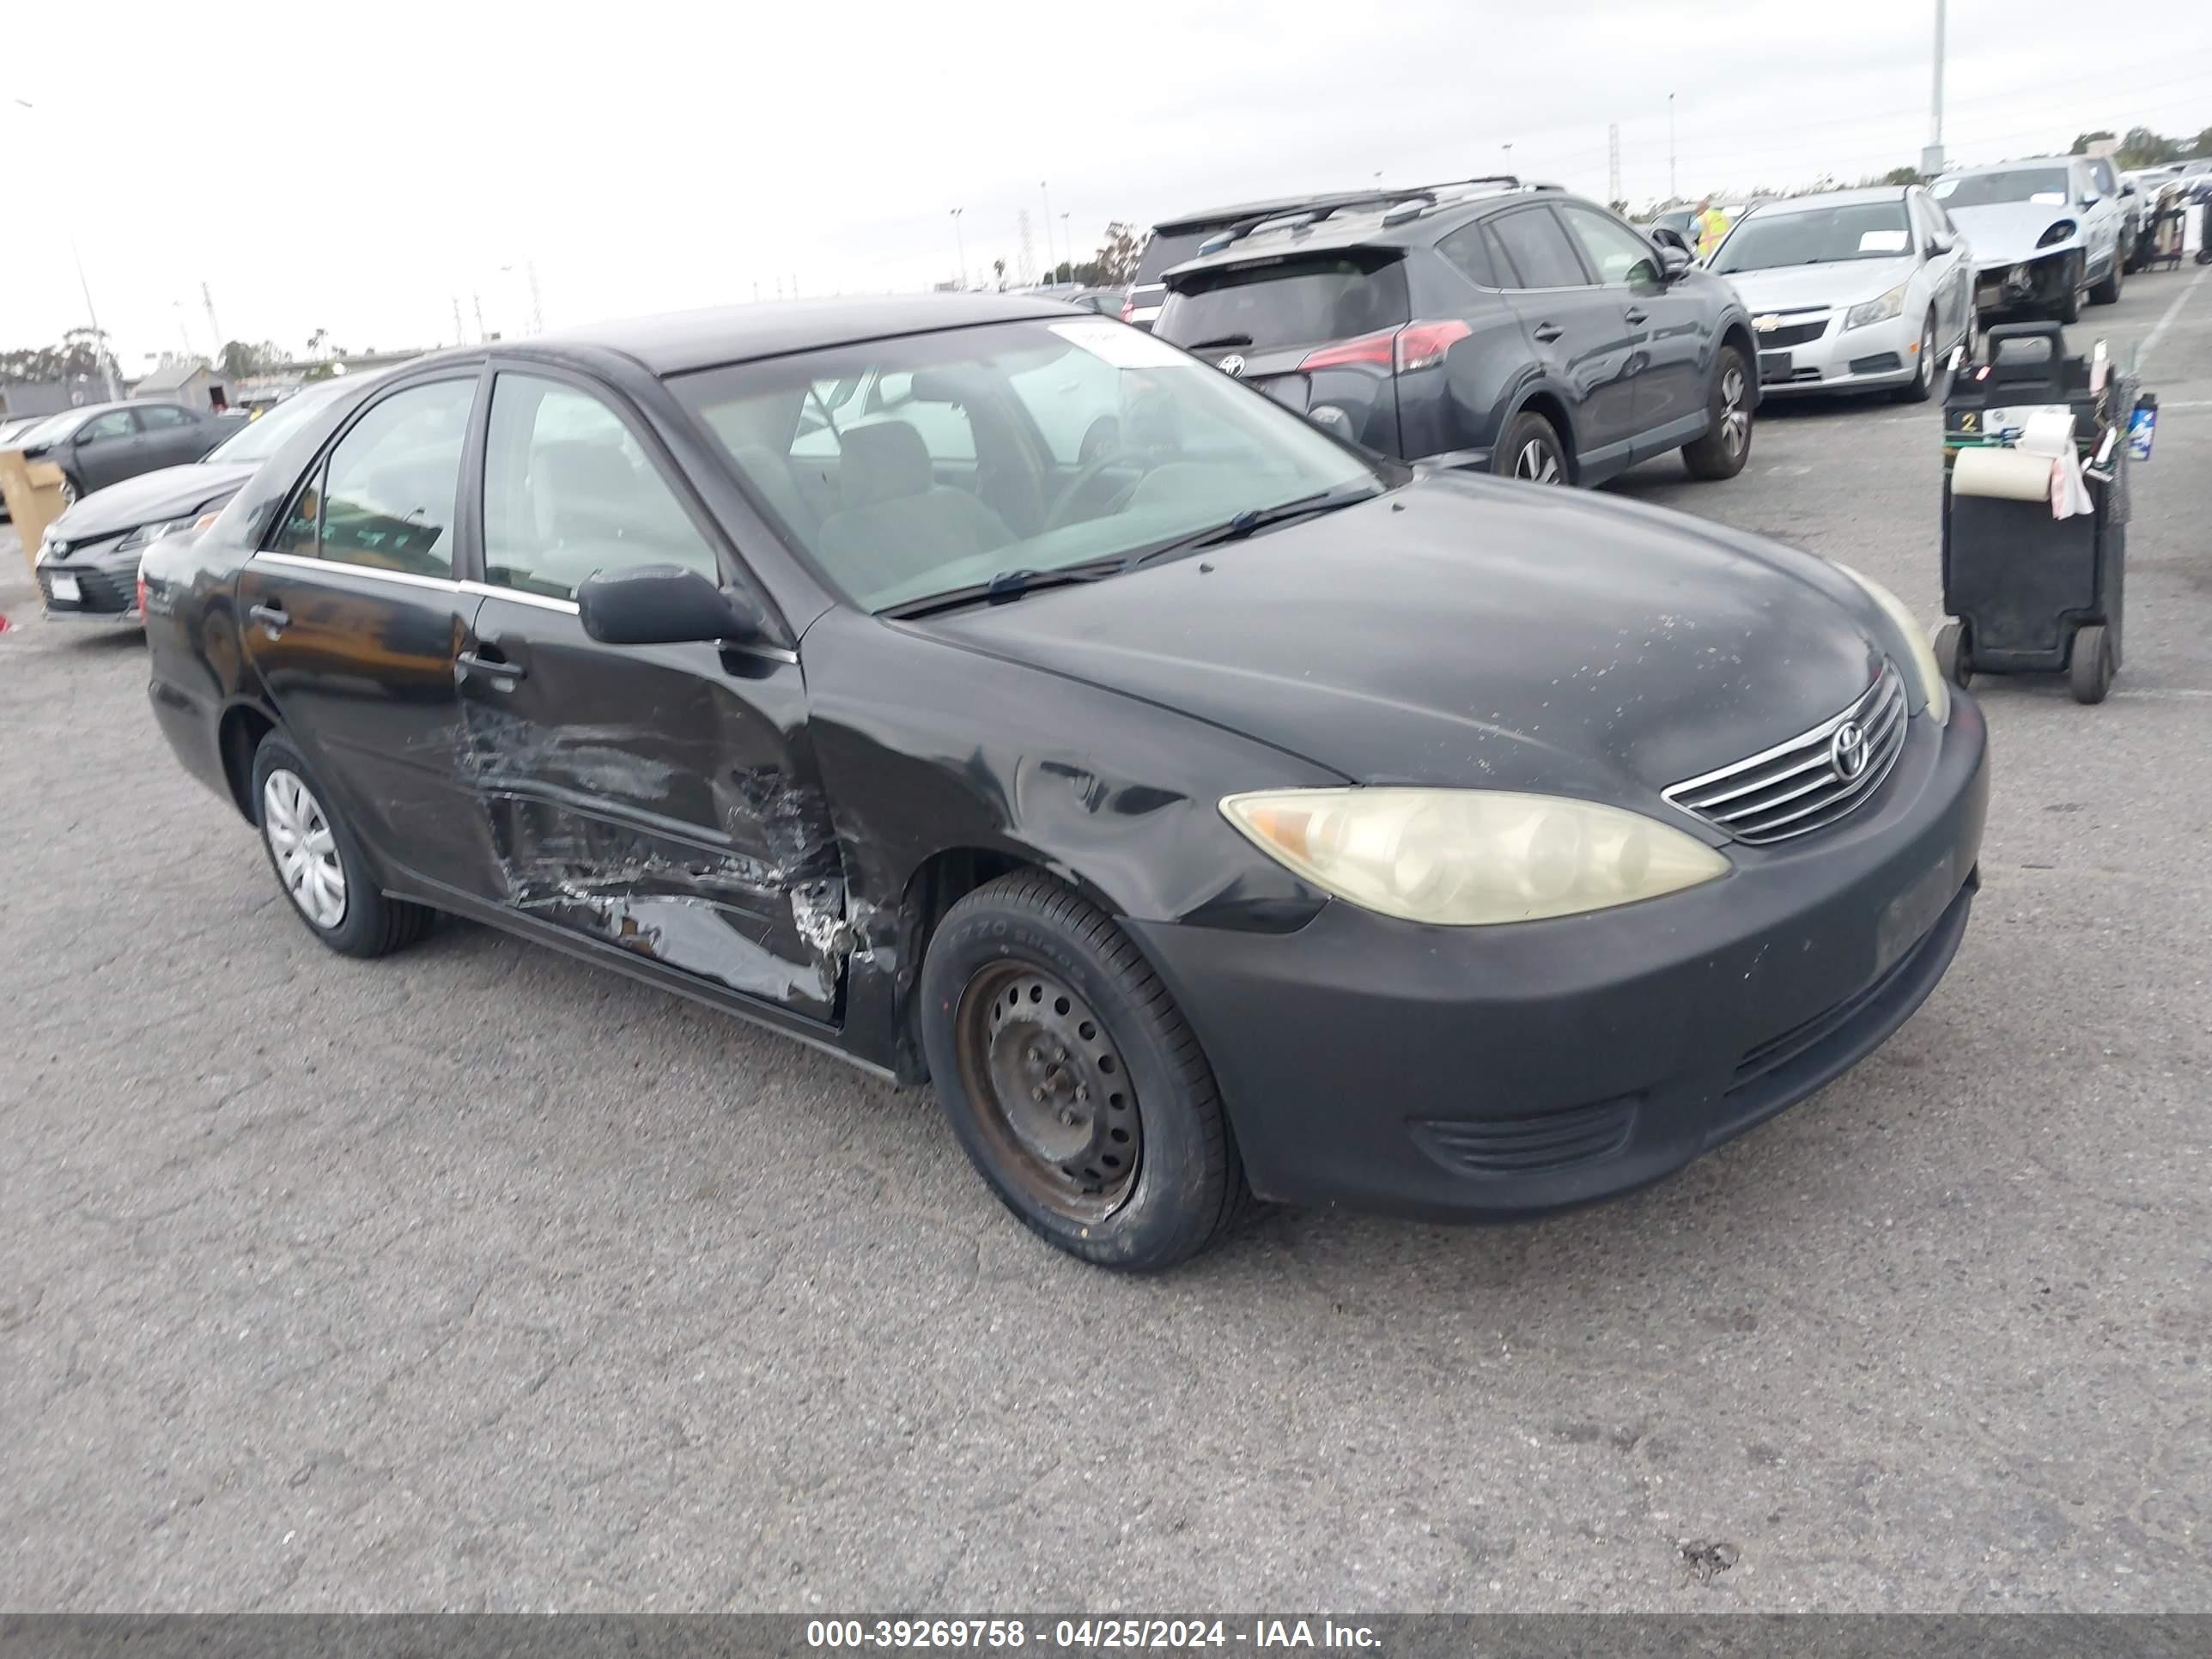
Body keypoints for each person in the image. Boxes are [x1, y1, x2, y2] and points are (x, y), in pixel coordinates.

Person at [1692, 197, 1730, 261]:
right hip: (1727, 252)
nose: (1696, 214)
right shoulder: (1723, 215)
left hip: (1709, 257)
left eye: (1697, 211)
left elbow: (1691, 236)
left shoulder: (1700, 219)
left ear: (1702, 208)